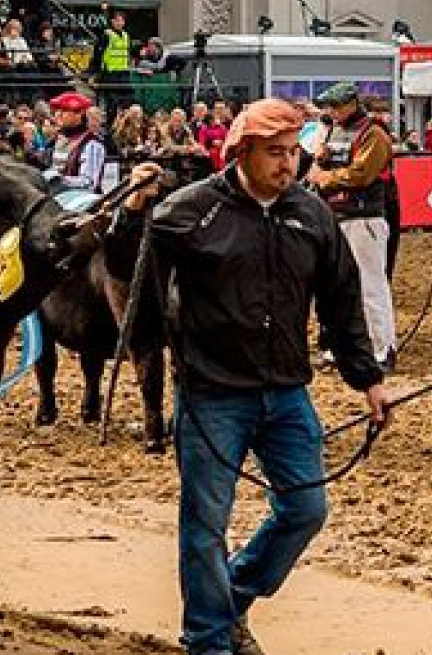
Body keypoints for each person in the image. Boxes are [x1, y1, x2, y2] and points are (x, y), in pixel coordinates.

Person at [116, 98, 394, 655]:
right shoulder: (191, 211)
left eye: (293, 152)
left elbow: (342, 302)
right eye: (275, 153)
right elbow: (128, 261)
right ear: (242, 152)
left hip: (287, 392)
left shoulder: (312, 214)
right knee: (205, 525)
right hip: (211, 393)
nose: (288, 164)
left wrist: (368, 379)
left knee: (306, 509)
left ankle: (231, 597)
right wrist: (133, 208)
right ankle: (210, 642)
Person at [304, 83, 397, 367]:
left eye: (334, 106)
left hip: (364, 217)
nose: (329, 111)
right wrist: (321, 162)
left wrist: (324, 179)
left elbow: (361, 174)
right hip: (336, 215)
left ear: (351, 104)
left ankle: (383, 349)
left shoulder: (374, 134)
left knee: (370, 285)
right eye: (328, 106)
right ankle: (338, 347)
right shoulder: (333, 131)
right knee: (336, 286)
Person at [47, 91, 107, 192]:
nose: (58, 114)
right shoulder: (56, 140)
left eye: (64, 110)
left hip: (81, 203)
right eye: (57, 110)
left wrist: (57, 180)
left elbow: (89, 183)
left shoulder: (92, 144)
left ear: (79, 114)